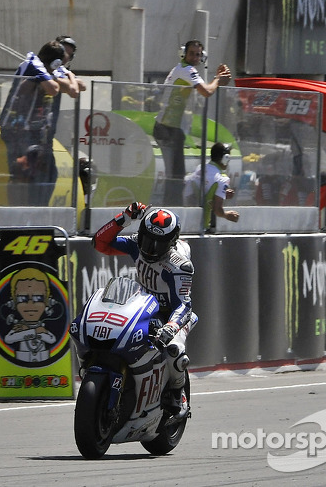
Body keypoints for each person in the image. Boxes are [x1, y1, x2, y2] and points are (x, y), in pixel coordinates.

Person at [92, 202, 196, 416]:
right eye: (147, 240)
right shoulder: (136, 244)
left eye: (158, 244)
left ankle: (177, 394)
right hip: (142, 307)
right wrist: (125, 217)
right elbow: (100, 243)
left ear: (171, 242)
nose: (150, 248)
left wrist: (171, 327)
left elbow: (184, 305)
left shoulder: (179, 266)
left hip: (172, 316)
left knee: (174, 350)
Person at [153, 40, 231, 205]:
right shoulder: (186, 70)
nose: (195, 57)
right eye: (191, 54)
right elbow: (207, 91)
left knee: (176, 175)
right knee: (174, 176)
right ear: (184, 54)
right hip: (166, 128)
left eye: (198, 55)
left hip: (173, 129)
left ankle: (172, 208)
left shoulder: (185, 69)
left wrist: (217, 79)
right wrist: (218, 79)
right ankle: (170, 209)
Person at [0, 40, 64, 206]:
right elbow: (54, 89)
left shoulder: (42, 67)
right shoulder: (34, 65)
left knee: (40, 174)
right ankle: (18, 211)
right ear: (55, 62)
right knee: (20, 174)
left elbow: (75, 88)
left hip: (30, 130)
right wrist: (54, 78)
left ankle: (33, 209)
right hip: (16, 128)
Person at [184, 142, 240, 231]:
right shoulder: (222, 179)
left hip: (186, 222)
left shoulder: (200, 168)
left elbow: (204, 191)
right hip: (202, 226)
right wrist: (227, 215)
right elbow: (217, 210)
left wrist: (223, 193)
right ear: (225, 158)